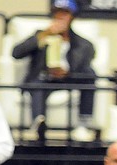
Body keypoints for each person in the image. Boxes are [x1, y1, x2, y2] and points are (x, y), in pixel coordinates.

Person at [11, 0, 97, 142]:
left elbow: (84, 62)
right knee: (37, 82)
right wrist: (44, 36)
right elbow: (16, 53)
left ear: (72, 16)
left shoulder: (83, 44)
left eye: (65, 13)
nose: (60, 16)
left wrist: (67, 72)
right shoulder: (41, 35)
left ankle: (83, 123)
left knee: (90, 73)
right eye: (57, 12)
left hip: (69, 79)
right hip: (44, 79)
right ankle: (38, 124)